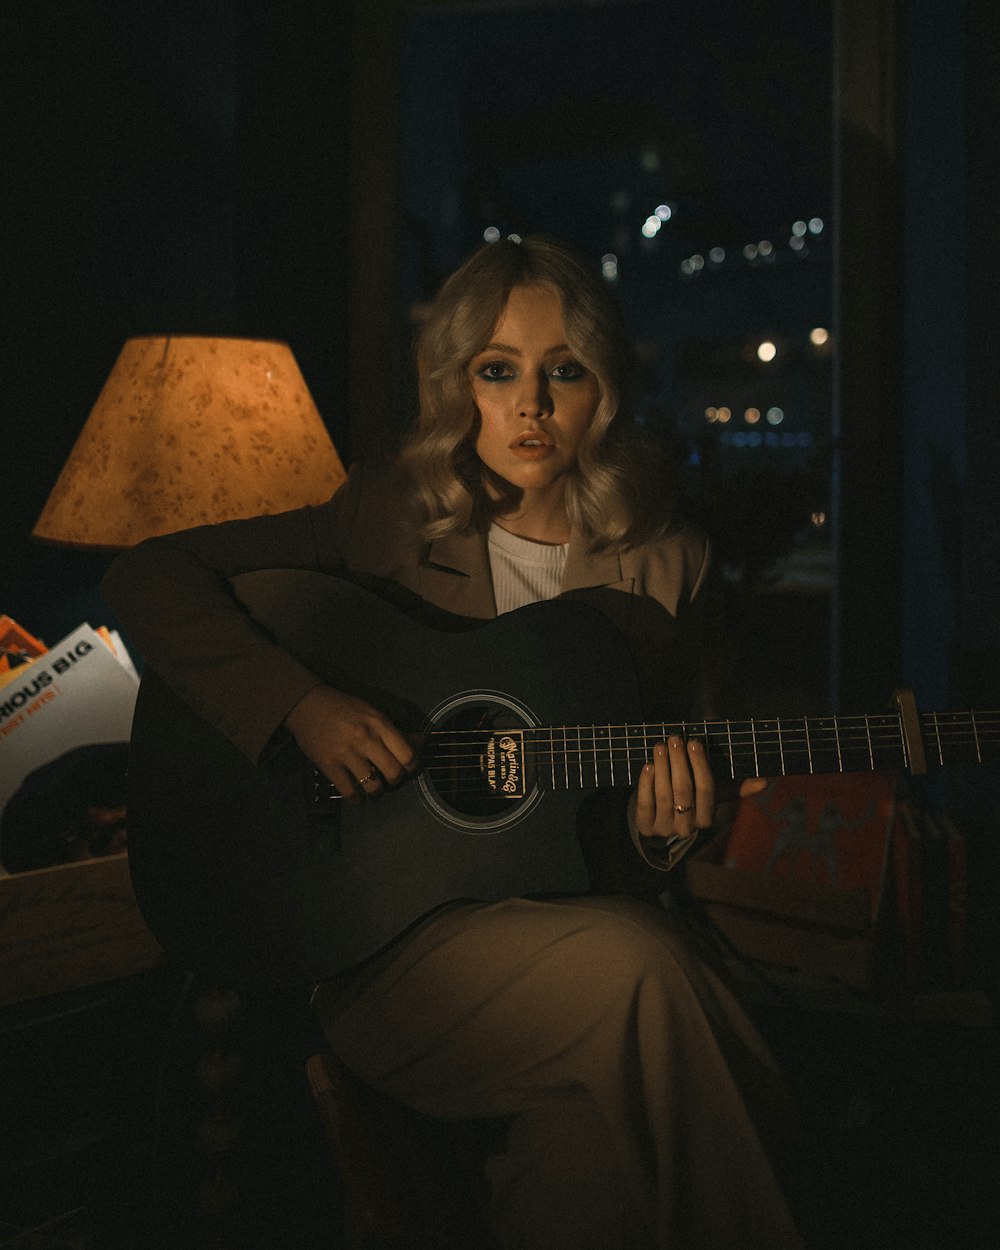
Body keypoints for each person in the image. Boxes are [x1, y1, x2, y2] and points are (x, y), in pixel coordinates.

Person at [103, 236, 805, 1248]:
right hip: (393, 948)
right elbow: (146, 579)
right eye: (497, 370)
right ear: (455, 384)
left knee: (590, 1157)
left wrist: (665, 833)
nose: (530, 404)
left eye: (562, 370)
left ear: (600, 387)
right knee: (645, 969)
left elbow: (651, 819)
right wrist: (299, 702)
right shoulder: (388, 517)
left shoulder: (668, 559)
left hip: (583, 934)